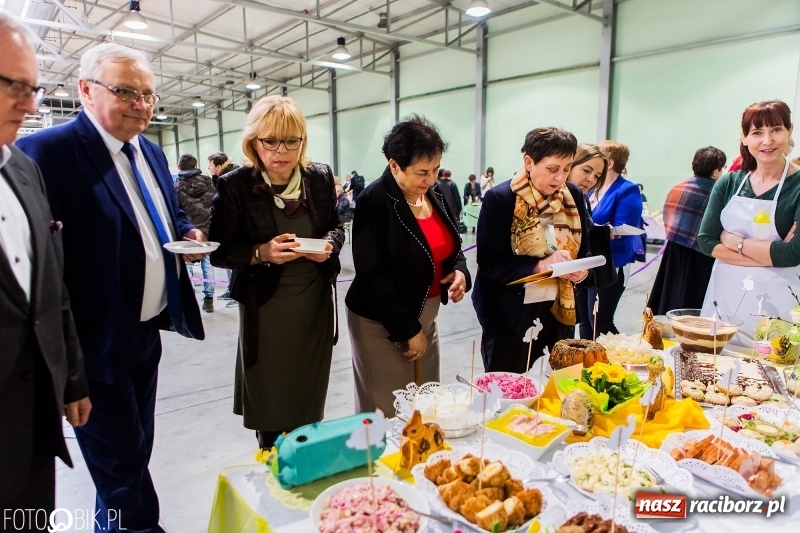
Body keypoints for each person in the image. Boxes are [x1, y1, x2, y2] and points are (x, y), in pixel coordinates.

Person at [16, 42, 205, 533]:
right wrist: (62, 364)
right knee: (121, 468)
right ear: (85, 89)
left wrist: (188, 232)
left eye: (148, 95)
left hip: (146, 333)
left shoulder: (152, 152)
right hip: (92, 345)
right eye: (126, 92)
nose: (141, 105)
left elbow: (171, 212)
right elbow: (38, 263)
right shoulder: (46, 153)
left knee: (135, 450)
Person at [209, 95, 343, 450]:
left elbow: (335, 226)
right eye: (270, 140)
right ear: (254, 141)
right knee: (271, 402)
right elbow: (219, 251)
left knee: (307, 402)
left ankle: (307, 462)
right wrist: (260, 252)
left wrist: (328, 244)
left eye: (291, 141)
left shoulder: (319, 177)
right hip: (265, 310)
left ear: (303, 142)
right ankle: (272, 465)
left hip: (312, 305)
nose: (281, 151)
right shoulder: (235, 185)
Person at [0, 10, 91, 517]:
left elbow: (50, 291)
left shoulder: (24, 169)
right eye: (13, 84)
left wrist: (72, 378)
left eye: (33, 87)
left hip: (35, 429)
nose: (30, 102)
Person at [346, 116, 470, 415]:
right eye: (422, 172)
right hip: (382, 321)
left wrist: (460, 271)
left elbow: (451, 244)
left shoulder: (434, 193)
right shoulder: (374, 200)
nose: (430, 179)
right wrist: (405, 328)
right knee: (388, 408)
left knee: (426, 403)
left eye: (436, 169)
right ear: (394, 166)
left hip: (426, 316)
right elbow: (372, 274)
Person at [472, 127, 590, 372]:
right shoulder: (501, 198)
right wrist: (541, 265)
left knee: (554, 384)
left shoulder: (574, 196)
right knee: (509, 386)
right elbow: (489, 262)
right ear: (529, 162)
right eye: (552, 169)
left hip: (559, 310)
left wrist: (582, 270)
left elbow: (585, 249)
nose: (560, 178)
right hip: (511, 316)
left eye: (567, 169)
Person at [699, 100, 800, 346]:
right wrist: (769, 255)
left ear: (790, 131)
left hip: (777, 308)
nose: (767, 141)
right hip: (722, 301)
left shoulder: (797, 185)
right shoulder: (730, 183)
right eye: (757, 133)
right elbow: (705, 241)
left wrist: (734, 241)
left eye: (776, 129)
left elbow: (793, 254)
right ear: (744, 138)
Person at [648, 147, 726, 315]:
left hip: (673, 250)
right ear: (715, 171)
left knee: (670, 296)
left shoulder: (678, 187)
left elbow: (668, 217)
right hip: (701, 255)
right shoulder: (716, 193)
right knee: (692, 302)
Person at [583, 140, 643, 337]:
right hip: (586, 261)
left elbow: (622, 229)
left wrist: (594, 230)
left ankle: (625, 356)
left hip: (610, 264)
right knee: (585, 320)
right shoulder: (593, 188)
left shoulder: (627, 190)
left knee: (600, 322)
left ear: (609, 162)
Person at [566, 143, 615, 340]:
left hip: (573, 283)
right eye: (586, 170)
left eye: (596, 176)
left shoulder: (582, 200)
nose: (590, 179)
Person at [176, 153, 216, 312]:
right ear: (195, 165)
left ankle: (190, 299)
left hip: (188, 233)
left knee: (187, 266)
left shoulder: (176, 185)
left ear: (179, 167)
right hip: (207, 231)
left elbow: (175, 210)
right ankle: (209, 299)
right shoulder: (209, 182)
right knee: (208, 264)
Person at [207, 152, 240, 304]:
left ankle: (236, 293)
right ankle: (231, 290)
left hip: (237, 229)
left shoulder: (230, 178)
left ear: (219, 166)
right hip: (227, 228)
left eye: (211, 165)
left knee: (236, 262)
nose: (209, 168)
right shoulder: (218, 179)